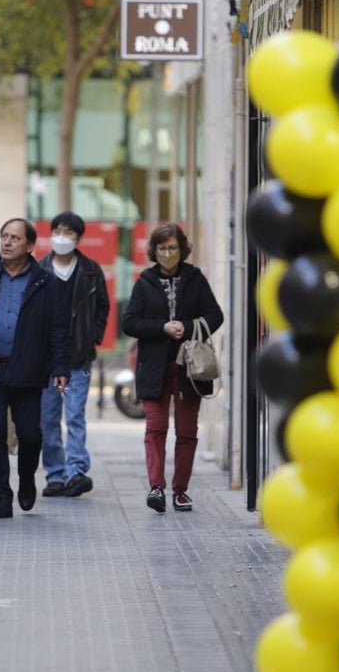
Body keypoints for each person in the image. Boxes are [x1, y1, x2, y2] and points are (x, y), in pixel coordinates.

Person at [0, 218, 70, 519]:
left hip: (28, 370)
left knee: (31, 434)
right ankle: (2, 496)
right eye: (4, 236)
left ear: (30, 246)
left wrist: (59, 366)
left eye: (14, 238)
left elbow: (58, 329)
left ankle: (28, 478)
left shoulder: (47, 284)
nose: (6, 242)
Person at [122, 223, 224, 513]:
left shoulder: (195, 278)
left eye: (173, 247)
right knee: (155, 427)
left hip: (189, 368)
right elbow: (129, 322)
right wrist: (161, 328)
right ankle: (156, 487)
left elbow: (215, 315)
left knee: (187, 430)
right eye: (163, 248)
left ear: (182, 249)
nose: (168, 253)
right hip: (154, 367)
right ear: (154, 251)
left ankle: (181, 490)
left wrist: (188, 327)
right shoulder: (144, 282)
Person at [38, 211, 110, 498]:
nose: (62, 237)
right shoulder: (39, 270)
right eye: (58, 231)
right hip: (45, 360)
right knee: (48, 419)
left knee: (76, 416)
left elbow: (103, 309)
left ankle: (76, 471)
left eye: (69, 232)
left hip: (78, 357)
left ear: (78, 238)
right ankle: (55, 474)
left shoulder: (91, 271)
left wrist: (93, 336)